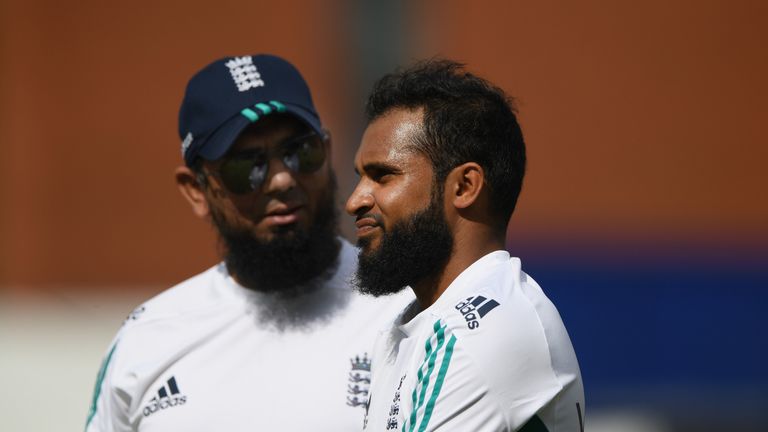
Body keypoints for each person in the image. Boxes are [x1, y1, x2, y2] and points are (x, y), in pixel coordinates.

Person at [84, 53, 411, 432]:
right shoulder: (147, 341)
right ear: (196, 191)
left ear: (327, 149)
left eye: (300, 152)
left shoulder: (406, 307)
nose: (282, 181)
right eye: (246, 166)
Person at [346, 59, 585, 431]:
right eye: (360, 177)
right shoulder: (415, 322)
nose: (355, 199)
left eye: (383, 176)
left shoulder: (471, 337)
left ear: (463, 187)